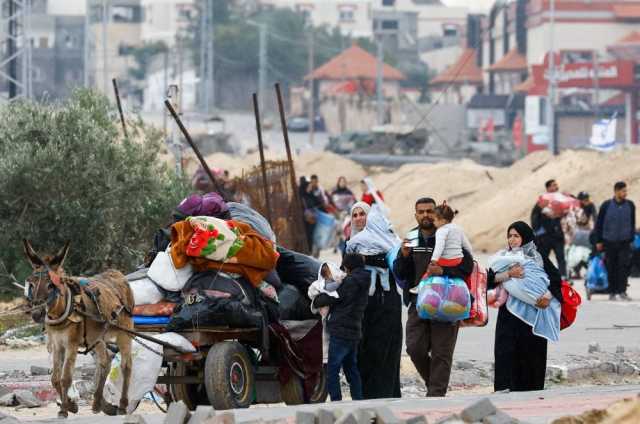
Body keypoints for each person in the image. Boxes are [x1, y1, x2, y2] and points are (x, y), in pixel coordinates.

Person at [393, 198, 473, 397]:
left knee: (442, 353)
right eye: (421, 212)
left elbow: (467, 266)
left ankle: (435, 396)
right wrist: (403, 256)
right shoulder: (411, 237)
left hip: (449, 303)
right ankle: (435, 386)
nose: (426, 215)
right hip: (418, 303)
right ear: (415, 215)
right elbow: (400, 273)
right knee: (414, 348)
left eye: (430, 211)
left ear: (436, 213)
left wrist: (444, 269)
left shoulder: (449, 233)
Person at [487, 221, 563, 392]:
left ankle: (532, 391)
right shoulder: (504, 258)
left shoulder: (538, 256)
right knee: (505, 351)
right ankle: (504, 388)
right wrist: (509, 274)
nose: (512, 240)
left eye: (516, 236)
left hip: (533, 316)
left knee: (532, 354)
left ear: (526, 237)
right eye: (510, 236)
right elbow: (488, 280)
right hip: (509, 315)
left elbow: (556, 280)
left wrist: (547, 296)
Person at [346, 201, 403, 399]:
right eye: (355, 215)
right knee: (363, 350)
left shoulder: (388, 238)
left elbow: (395, 263)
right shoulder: (351, 242)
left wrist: (366, 260)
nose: (359, 218)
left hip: (386, 301)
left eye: (363, 214)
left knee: (385, 349)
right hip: (361, 306)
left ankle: (385, 395)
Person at [312, 254, 369, 401]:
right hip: (355, 330)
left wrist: (316, 299)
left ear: (348, 267)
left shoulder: (349, 282)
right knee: (351, 368)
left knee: (332, 369)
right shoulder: (364, 280)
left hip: (340, 330)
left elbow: (331, 297)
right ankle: (358, 399)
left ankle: (336, 401)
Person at [409, 203, 472, 294]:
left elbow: (439, 247)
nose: (433, 222)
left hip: (446, 260)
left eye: (434, 220)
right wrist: (470, 256)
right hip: (458, 260)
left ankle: (420, 286)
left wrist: (433, 260)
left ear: (442, 221)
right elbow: (467, 246)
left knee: (429, 271)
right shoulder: (458, 228)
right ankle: (467, 288)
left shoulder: (441, 231)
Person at [595, 181, 636, 301]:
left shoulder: (630, 205)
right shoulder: (606, 205)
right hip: (609, 241)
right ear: (616, 191)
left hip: (625, 242)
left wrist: (631, 238)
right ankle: (612, 291)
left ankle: (622, 291)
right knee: (611, 266)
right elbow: (599, 224)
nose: (625, 193)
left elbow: (632, 222)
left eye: (626, 191)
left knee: (623, 266)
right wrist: (599, 241)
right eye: (623, 191)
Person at [531, 179, 567, 279]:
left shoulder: (561, 200)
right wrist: (538, 233)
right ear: (548, 188)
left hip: (558, 235)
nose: (556, 187)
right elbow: (534, 216)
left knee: (561, 257)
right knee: (543, 258)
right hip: (545, 237)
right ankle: (539, 277)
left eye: (557, 185)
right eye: (554, 185)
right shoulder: (542, 202)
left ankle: (563, 277)